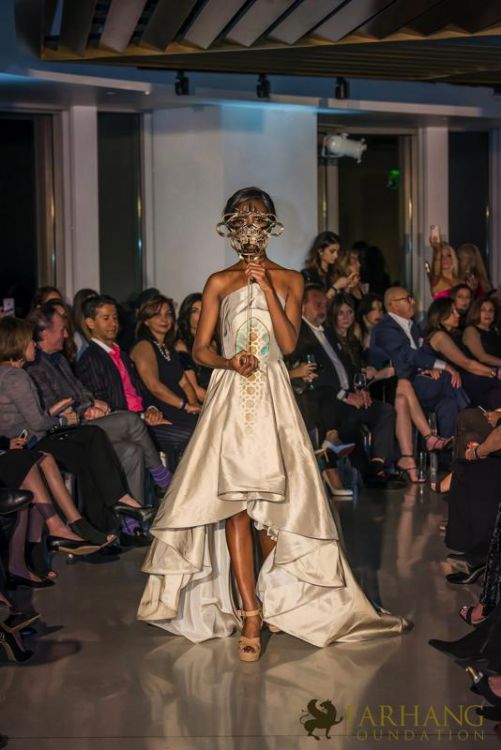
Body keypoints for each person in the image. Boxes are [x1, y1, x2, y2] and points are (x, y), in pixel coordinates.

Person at [138, 186, 411, 661]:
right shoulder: (218, 281)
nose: (250, 225)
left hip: (273, 396)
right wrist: (228, 361)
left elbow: (286, 345)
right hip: (230, 395)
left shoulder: (289, 279)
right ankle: (249, 612)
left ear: (269, 225)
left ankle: (276, 597)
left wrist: (265, 287)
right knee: (234, 506)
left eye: (257, 217)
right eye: (241, 217)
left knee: (272, 506)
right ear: (230, 225)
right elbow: (200, 349)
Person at [0, 316, 145, 535]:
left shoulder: (11, 374)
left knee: (89, 444)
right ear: (17, 344)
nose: (34, 345)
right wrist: (63, 420)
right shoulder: (15, 376)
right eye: (30, 340)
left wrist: (54, 412)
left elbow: (27, 417)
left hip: (30, 438)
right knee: (88, 444)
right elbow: (36, 424)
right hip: (30, 442)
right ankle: (113, 509)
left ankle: (107, 520)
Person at [25, 304, 172, 504]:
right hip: (65, 431)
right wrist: (86, 409)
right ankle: (163, 478)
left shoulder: (58, 359)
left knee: (132, 452)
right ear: (44, 333)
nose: (66, 335)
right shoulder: (34, 367)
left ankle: (133, 516)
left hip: (85, 423)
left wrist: (92, 403)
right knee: (131, 421)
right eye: (62, 330)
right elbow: (54, 405)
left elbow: (81, 389)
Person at [329, 294, 451, 483]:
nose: (346, 317)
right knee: (403, 386)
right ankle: (427, 438)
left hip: (381, 384)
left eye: (349, 312)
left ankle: (401, 461)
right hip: (377, 388)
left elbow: (390, 365)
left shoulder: (353, 341)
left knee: (401, 396)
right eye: (341, 313)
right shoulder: (374, 333)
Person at [76, 295, 191, 459]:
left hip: (143, 417)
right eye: (106, 318)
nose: (113, 324)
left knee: (195, 430)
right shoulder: (91, 359)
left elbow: (141, 389)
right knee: (188, 435)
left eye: (115, 318)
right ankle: (166, 474)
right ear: (90, 323)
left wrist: (151, 409)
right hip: (127, 424)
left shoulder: (121, 354)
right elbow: (105, 405)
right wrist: (142, 417)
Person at [370, 287, 462, 439]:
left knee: (448, 402)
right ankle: (474, 413)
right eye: (408, 299)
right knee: (449, 378)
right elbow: (407, 356)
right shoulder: (384, 329)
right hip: (396, 384)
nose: (413, 302)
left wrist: (428, 367)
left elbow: (421, 353)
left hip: (416, 379)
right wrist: (443, 366)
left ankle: (448, 447)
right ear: (394, 304)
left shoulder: (412, 326)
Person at [130, 294, 199, 455]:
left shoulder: (168, 348)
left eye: (168, 314)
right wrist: (185, 405)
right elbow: (154, 386)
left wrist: (194, 405)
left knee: (209, 426)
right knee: (194, 435)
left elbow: (184, 383)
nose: (164, 319)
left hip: (179, 409)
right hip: (159, 411)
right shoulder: (143, 346)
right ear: (146, 320)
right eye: (157, 314)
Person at [424, 297, 501, 409]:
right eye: (452, 312)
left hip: (467, 378)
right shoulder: (439, 336)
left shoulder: (455, 334)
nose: (458, 315)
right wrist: (494, 372)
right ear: (440, 315)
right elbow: (466, 364)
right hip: (457, 382)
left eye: (457, 311)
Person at [175, 293, 213, 401]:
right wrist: (223, 403)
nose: (201, 315)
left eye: (204, 309)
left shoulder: (217, 341)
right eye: (195, 311)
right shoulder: (181, 347)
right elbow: (195, 390)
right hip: (206, 404)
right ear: (186, 315)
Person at [301, 231, 345, 298]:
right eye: (332, 251)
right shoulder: (308, 274)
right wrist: (335, 287)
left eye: (337, 252)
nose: (336, 256)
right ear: (320, 251)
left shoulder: (337, 271)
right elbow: (315, 302)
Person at [463, 297, 501, 366]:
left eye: (491, 310)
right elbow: (482, 357)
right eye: (483, 310)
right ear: (476, 312)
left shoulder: (495, 330)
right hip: (484, 371)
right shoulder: (470, 330)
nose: (488, 314)